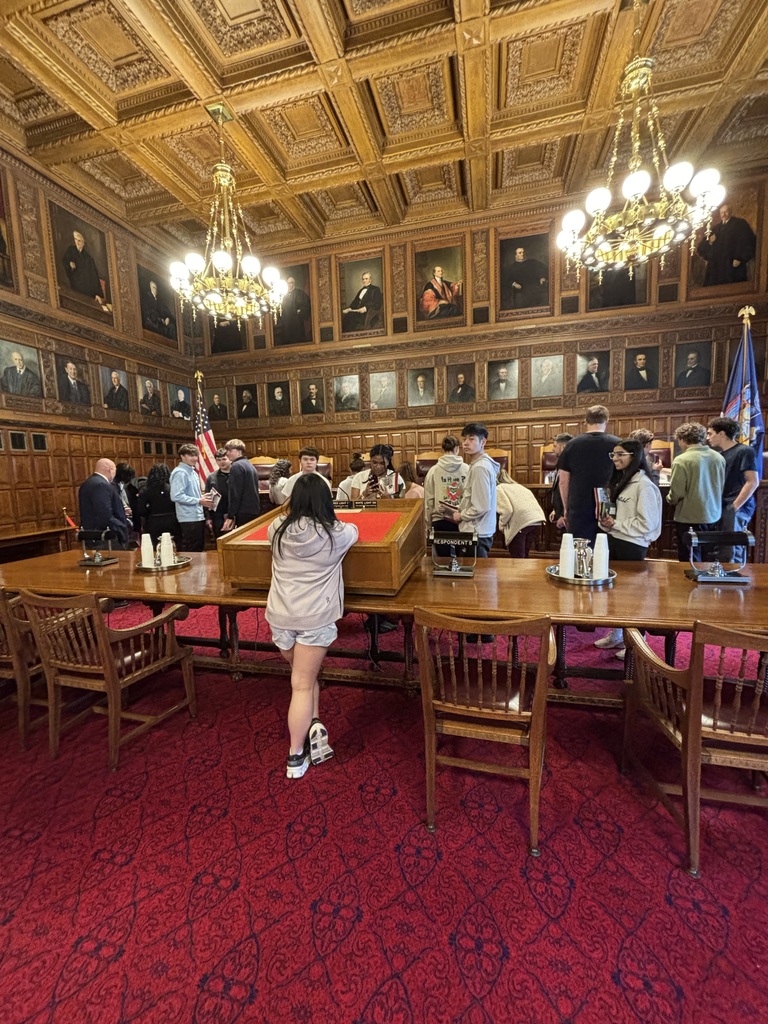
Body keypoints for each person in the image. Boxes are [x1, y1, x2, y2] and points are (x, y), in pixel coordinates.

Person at [266, 474, 358, 778]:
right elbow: (355, 530)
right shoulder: (337, 533)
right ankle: (295, 755)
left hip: (281, 616)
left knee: (302, 675)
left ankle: (315, 720)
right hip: (314, 618)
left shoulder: (275, 529)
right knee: (302, 684)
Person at [595, 439, 663, 656]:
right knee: (615, 593)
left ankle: (636, 641)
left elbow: (648, 523)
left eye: (620, 454)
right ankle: (617, 634)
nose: (615, 458)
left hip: (632, 546)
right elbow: (615, 514)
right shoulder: (622, 481)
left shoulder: (644, 486)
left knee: (634, 597)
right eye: (613, 455)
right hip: (616, 540)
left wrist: (617, 524)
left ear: (635, 456)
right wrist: (607, 522)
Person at [557, 405, 621, 543]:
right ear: (607, 420)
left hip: (579, 504)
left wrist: (566, 508)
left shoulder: (572, 445)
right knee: (605, 550)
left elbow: (563, 480)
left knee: (580, 550)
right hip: (608, 503)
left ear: (585, 421)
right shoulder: (618, 444)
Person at [667, 422, 725, 561]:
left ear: (682, 439)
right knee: (707, 556)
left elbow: (677, 493)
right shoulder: (718, 457)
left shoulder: (682, 460)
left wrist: (669, 499)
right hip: (713, 515)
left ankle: (690, 582)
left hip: (689, 517)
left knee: (689, 558)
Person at [707, 416, 759, 561]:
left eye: (710, 433)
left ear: (722, 434)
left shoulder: (744, 451)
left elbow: (752, 482)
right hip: (722, 505)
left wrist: (734, 507)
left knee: (731, 550)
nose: (708, 438)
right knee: (722, 549)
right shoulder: (719, 455)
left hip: (736, 506)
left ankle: (734, 580)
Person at [450, 423, 498, 558]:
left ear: (483, 442)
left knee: (476, 576)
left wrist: (461, 515)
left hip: (476, 532)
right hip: (479, 531)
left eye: (471, 439)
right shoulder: (478, 465)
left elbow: (481, 506)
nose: (465, 443)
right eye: (464, 439)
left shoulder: (480, 468)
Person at [696, 203, 757, 286]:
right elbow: (701, 248)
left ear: (730, 212)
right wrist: (710, 241)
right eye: (722, 212)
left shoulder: (740, 224)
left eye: (726, 212)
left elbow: (749, 241)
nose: (724, 214)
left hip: (732, 266)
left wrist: (741, 258)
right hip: (717, 269)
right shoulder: (716, 229)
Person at [169, 443, 214, 551]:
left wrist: (202, 497)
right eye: (190, 455)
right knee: (192, 550)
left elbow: (190, 494)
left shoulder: (192, 471)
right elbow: (176, 496)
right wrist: (199, 500)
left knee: (199, 548)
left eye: (195, 455)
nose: (194, 458)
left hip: (197, 516)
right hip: (188, 518)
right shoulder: (180, 472)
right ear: (182, 456)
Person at [78, 458, 130, 548]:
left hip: (92, 535)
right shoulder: (101, 485)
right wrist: (122, 527)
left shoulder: (87, 483)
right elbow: (104, 514)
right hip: (104, 538)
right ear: (110, 469)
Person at [496, 468, 545, 558]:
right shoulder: (519, 486)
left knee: (518, 558)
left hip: (521, 523)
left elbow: (507, 510)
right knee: (524, 556)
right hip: (536, 521)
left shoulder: (499, 488)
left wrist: (501, 525)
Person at [221, 439, 261, 531]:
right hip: (253, 509)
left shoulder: (236, 466)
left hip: (243, 510)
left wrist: (230, 516)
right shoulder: (249, 465)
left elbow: (235, 493)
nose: (227, 453)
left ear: (239, 452)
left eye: (230, 450)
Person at [62, 230, 106, 307]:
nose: (77, 242)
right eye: (75, 240)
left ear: (83, 243)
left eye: (79, 241)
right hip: (74, 287)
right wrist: (69, 264)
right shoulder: (71, 250)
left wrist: (97, 294)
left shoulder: (89, 259)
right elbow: (65, 261)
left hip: (87, 291)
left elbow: (94, 277)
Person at [140, 463, 180, 547]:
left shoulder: (145, 489)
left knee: (156, 545)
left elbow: (141, 509)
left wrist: (148, 513)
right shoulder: (172, 488)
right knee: (172, 544)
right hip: (172, 520)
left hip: (153, 521)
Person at [204, 448, 231, 539]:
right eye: (218, 460)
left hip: (235, 513)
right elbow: (207, 498)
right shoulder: (211, 477)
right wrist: (208, 518)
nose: (221, 462)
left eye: (224, 459)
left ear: (230, 459)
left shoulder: (236, 474)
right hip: (218, 514)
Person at [548, 432, 572, 529]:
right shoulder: (561, 463)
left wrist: (563, 514)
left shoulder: (570, 464)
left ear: (563, 447)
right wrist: (556, 510)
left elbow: (569, 490)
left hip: (567, 515)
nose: (553, 449)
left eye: (555, 446)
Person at [277, 276, 311, 344]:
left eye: (291, 283)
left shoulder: (300, 293)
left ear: (294, 283)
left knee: (298, 337)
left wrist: (300, 311)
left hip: (296, 320)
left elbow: (306, 304)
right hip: (286, 320)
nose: (289, 285)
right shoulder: (282, 294)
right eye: (288, 283)